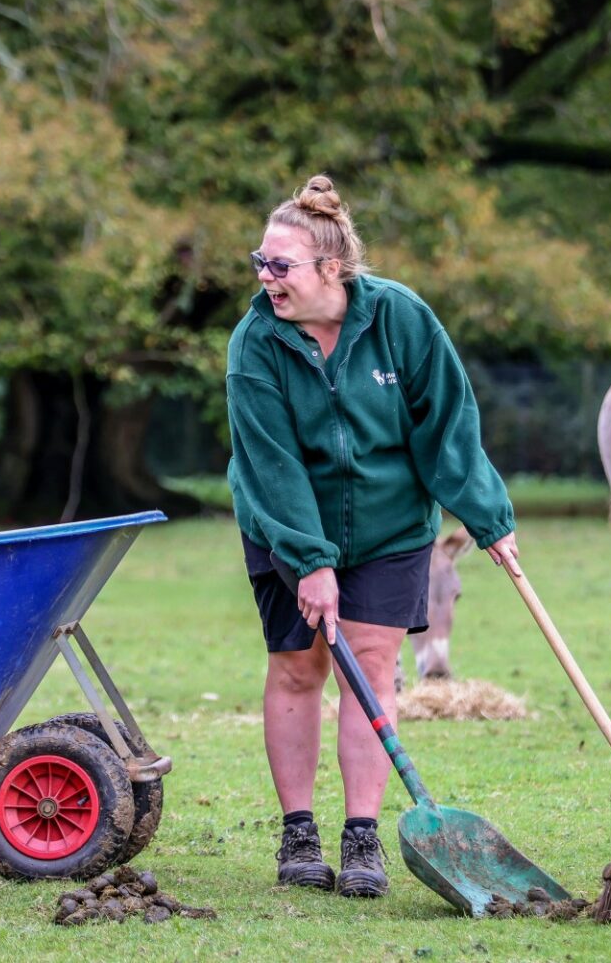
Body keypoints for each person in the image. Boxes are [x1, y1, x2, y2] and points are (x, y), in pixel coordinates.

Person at [226, 175, 519, 899]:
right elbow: (273, 462)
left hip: (391, 524)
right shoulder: (255, 343)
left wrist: (489, 519)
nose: (266, 280)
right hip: (283, 517)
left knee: (375, 665)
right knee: (299, 665)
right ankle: (300, 829)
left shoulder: (401, 318)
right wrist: (310, 561)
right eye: (260, 263)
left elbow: (446, 423)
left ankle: (362, 837)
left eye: (280, 266)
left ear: (331, 269)